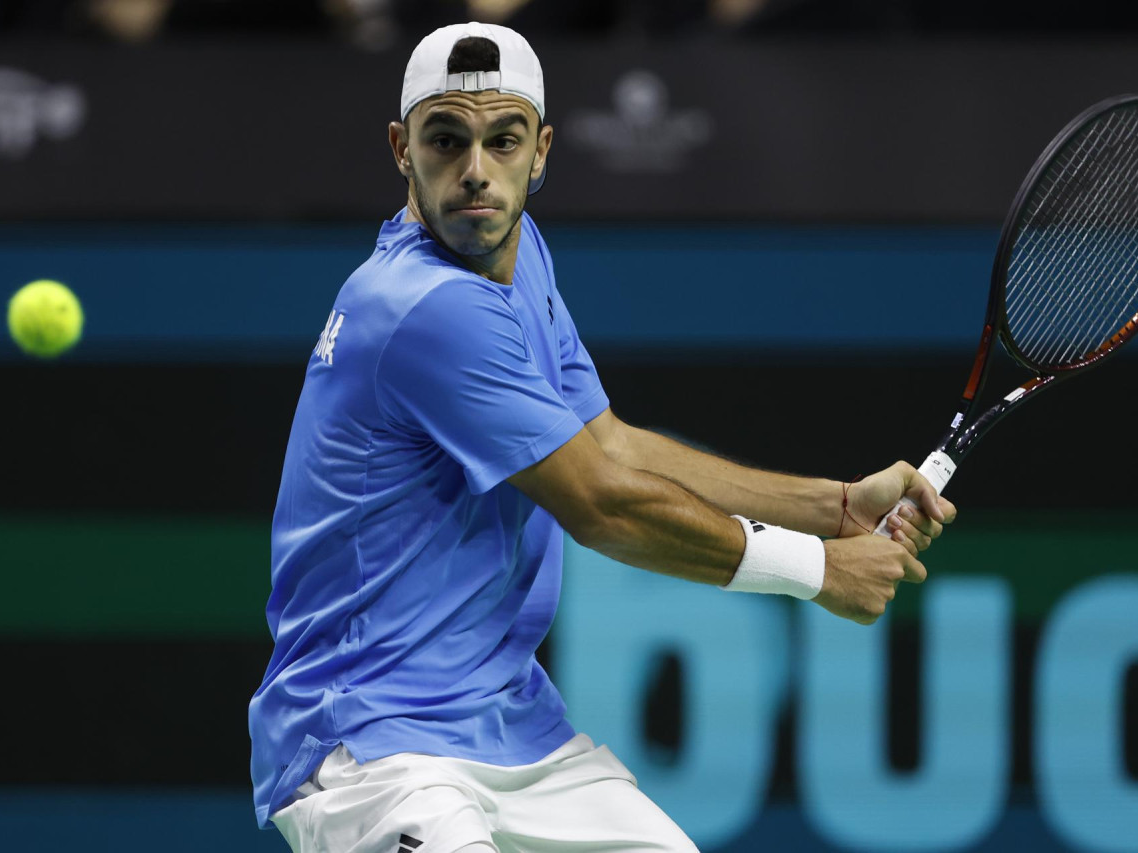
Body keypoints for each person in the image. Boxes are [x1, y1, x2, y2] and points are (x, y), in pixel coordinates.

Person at [248, 20, 956, 853]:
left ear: (541, 151)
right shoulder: (424, 307)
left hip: (508, 724)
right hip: (372, 739)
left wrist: (833, 506)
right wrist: (820, 570)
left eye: (502, 141)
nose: (476, 172)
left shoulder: (519, 252)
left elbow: (610, 444)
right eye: (446, 141)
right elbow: (601, 504)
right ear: (402, 149)